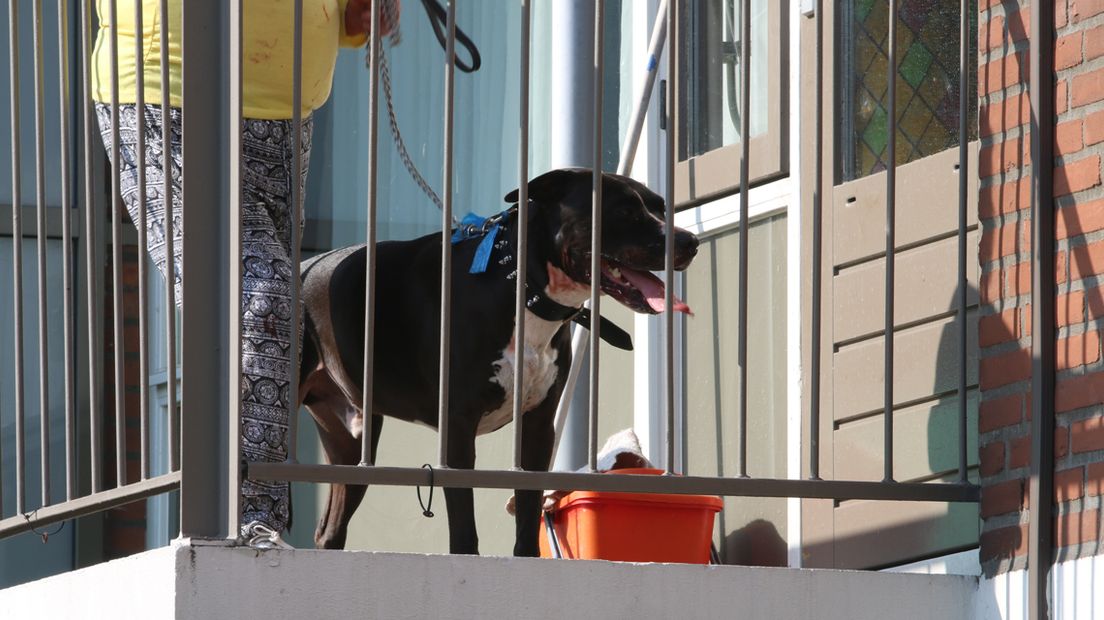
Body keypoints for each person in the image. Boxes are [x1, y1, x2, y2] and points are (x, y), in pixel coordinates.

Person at [91, 0, 399, 548]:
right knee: (260, 300)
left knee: (266, 318)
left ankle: (251, 512)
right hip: (170, 94)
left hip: (286, 115)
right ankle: (251, 520)